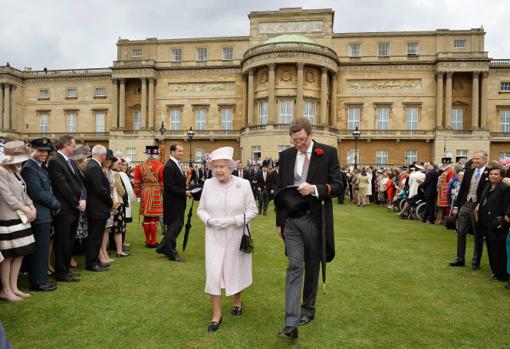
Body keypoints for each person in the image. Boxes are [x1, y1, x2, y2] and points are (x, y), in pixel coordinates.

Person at [274, 118, 343, 340]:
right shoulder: (285, 156)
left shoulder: (328, 152)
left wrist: (315, 188)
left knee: (312, 265)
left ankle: (308, 309)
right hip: (291, 221)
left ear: (310, 135)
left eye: (302, 140)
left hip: (314, 218)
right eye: (295, 141)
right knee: (294, 265)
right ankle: (291, 323)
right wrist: (279, 222)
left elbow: (339, 186)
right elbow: (280, 191)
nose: (298, 144)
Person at [197, 146, 258, 332]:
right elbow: (201, 209)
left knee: (235, 269)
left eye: (222, 166)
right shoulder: (208, 185)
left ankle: (237, 301)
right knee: (214, 272)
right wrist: (209, 221)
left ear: (231, 167)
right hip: (214, 236)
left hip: (236, 235)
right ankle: (216, 315)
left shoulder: (243, 184)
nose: (218, 170)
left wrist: (233, 221)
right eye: (215, 167)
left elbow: (252, 210)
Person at [20, 137, 60, 292]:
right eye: (41, 150)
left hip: (44, 213)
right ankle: (38, 281)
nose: (44, 154)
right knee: (40, 250)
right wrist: (55, 204)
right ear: (32, 150)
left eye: (46, 151)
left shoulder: (40, 167)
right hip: (39, 214)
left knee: (42, 249)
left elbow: (47, 190)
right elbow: (37, 193)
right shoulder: (30, 167)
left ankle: (40, 278)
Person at [0, 141, 36, 301]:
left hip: (20, 218)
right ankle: (6, 290)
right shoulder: (1, 171)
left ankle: (14, 287)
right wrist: (24, 208)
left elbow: (23, 192)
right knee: (8, 256)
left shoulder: (15, 171)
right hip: (8, 218)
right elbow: (7, 196)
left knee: (19, 254)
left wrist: (31, 206)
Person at [47, 135, 84, 282]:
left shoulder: (70, 162)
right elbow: (63, 187)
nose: (74, 149)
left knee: (70, 240)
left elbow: (79, 182)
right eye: (73, 146)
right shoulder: (56, 161)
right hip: (64, 208)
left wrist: (83, 198)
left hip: (74, 207)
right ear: (66, 145)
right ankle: (61, 272)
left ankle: (66, 270)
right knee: (62, 241)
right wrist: (77, 202)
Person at [450, 151, 490, 269]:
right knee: (461, 231)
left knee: (478, 234)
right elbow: (462, 189)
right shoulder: (468, 172)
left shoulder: (489, 173)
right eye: (474, 159)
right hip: (466, 204)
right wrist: (457, 206)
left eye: (478, 159)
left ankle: (475, 262)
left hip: (478, 207)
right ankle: (460, 259)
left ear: (484, 160)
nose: (475, 161)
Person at [476, 164, 510, 281]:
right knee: (490, 248)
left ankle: (502, 274)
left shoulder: (504, 188)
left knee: (498, 249)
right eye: (491, 174)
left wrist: (504, 221)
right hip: (486, 222)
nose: (493, 176)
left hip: (497, 223)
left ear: (501, 176)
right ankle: (495, 270)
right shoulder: (487, 186)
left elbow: (507, 206)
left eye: (496, 174)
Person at [157, 144, 191, 261]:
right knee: (175, 227)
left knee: (177, 225)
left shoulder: (176, 164)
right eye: (179, 151)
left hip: (178, 201)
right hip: (173, 202)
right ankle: (172, 253)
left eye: (182, 151)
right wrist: (184, 192)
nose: (182, 153)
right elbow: (169, 186)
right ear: (172, 152)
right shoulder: (169, 166)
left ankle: (162, 246)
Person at [83, 145, 112, 272]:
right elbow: (100, 190)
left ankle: (95, 260)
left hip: (94, 207)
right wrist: (110, 202)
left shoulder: (90, 165)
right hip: (97, 208)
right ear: (103, 156)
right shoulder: (94, 167)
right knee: (95, 237)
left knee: (95, 236)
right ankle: (92, 262)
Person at [134, 146, 164, 248]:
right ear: (156, 154)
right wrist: (163, 194)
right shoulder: (160, 166)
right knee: (154, 217)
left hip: (144, 192)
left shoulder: (140, 166)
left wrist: (138, 195)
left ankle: (147, 240)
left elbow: (137, 182)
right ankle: (154, 241)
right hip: (155, 192)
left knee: (146, 217)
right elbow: (162, 182)